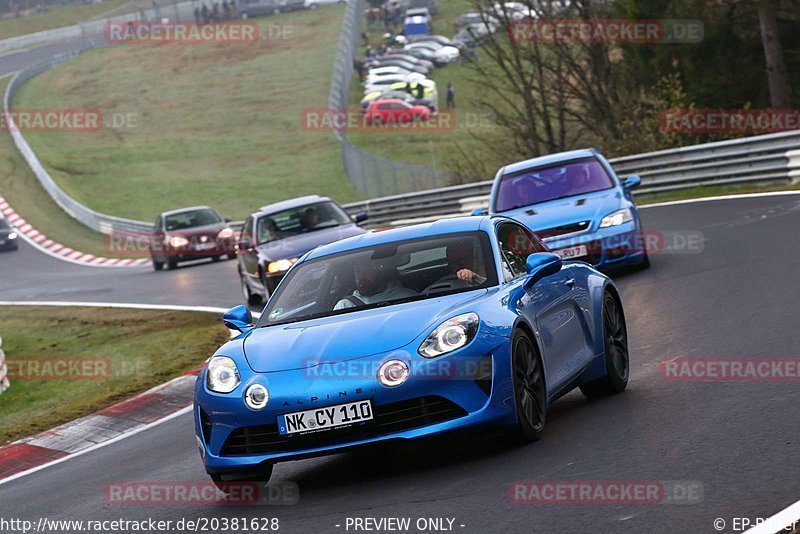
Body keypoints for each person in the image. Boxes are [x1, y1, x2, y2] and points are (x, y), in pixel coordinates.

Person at [334, 262, 417, 310]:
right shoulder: (344, 306)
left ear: (381, 271)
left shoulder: (407, 297)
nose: (361, 276)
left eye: (367, 269)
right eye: (358, 270)